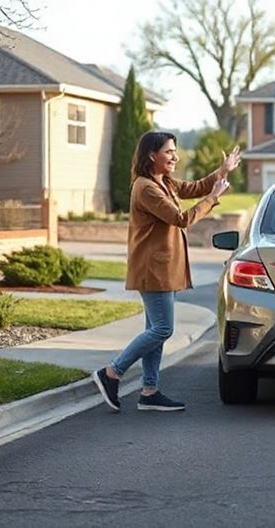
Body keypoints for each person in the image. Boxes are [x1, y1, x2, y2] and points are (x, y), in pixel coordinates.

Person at [93, 131, 239, 412]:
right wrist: (213, 198)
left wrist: (223, 171)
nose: (176, 156)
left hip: (162, 268)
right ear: (152, 155)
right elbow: (181, 219)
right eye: (169, 152)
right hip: (153, 269)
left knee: (155, 329)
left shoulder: (165, 182)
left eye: (175, 151)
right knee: (162, 329)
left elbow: (196, 186)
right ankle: (112, 372)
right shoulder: (146, 188)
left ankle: (149, 391)